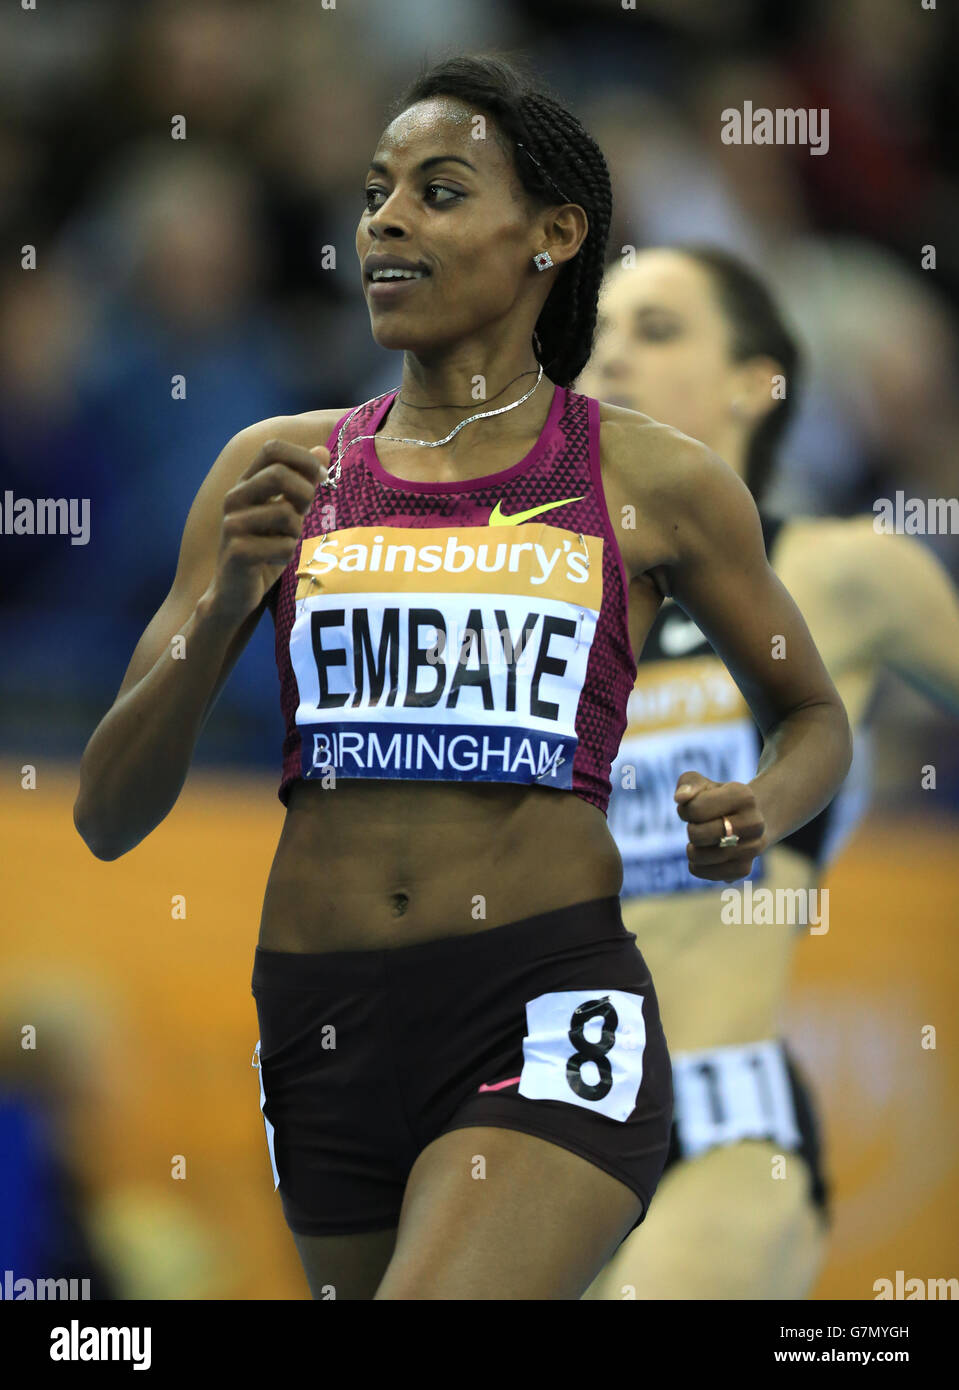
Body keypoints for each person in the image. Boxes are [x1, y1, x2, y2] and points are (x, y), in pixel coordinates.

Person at [74, 56, 851, 1301]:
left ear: (553, 234)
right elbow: (106, 814)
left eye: (437, 192)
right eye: (374, 191)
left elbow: (811, 713)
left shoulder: (651, 479)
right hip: (318, 1020)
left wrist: (762, 804)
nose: (385, 218)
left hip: (541, 1002)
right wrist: (226, 597)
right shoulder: (271, 468)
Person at [577, 244, 959, 1299]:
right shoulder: (541, 601)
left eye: (654, 332)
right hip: (526, 1125)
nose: (611, 358)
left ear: (755, 382)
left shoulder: (840, 574)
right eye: (596, 335)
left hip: (719, 1121)